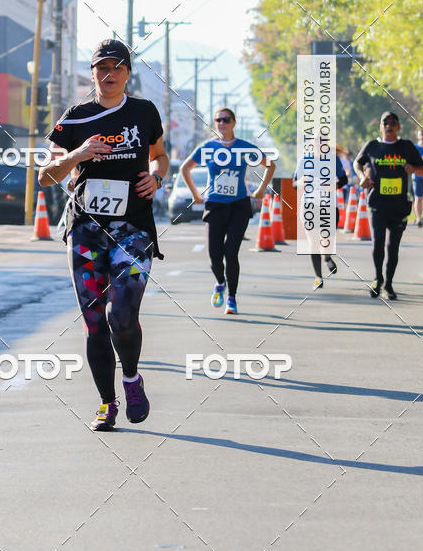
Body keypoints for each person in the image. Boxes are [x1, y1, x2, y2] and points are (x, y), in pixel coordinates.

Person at [39, 39, 168, 431]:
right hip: (86, 230)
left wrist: (157, 177)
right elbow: (46, 175)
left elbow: (160, 154)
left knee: (122, 315)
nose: (109, 75)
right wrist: (77, 155)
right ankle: (106, 402)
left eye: (117, 68)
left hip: (133, 228)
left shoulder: (144, 112)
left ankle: (131, 378)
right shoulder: (75, 118)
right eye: (101, 68)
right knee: (95, 321)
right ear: (92, 73)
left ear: (128, 73)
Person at [180, 107, 276, 315]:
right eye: (218, 120)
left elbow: (270, 165)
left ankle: (231, 299)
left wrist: (260, 190)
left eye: (225, 119)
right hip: (215, 204)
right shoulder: (207, 148)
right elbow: (184, 168)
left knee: (231, 253)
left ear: (233, 122)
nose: (221, 123)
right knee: (215, 255)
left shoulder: (243, 147)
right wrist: (196, 194)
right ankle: (220, 283)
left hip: (239, 205)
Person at [354, 111, 423, 299]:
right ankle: (378, 279)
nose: (389, 126)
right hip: (377, 203)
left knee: (392, 246)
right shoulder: (372, 146)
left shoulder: (406, 146)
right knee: (378, 243)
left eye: (393, 123)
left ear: (398, 127)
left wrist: (413, 169)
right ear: (381, 126)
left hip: (399, 205)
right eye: (385, 123)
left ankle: (389, 284)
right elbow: (357, 163)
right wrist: (362, 177)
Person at [293, 153, 348, 291]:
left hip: (329, 206)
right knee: (313, 241)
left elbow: (344, 179)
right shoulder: (304, 159)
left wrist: (334, 185)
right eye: (316, 140)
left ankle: (327, 258)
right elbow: (294, 182)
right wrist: (300, 183)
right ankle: (318, 277)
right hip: (309, 205)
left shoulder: (333, 158)